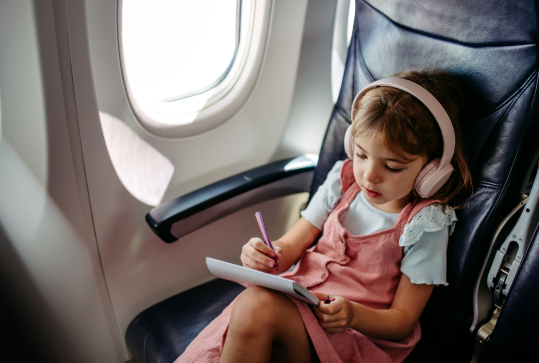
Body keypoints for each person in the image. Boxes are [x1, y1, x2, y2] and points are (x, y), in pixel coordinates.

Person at [176, 70, 473, 363]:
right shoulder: (341, 182)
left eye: (392, 167)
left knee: (254, 307)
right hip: (296, 308)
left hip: (351, 334)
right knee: (250, 310)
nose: (369, 176)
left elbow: (403, 321)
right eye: (361, 154)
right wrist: (267, 255)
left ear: (430, 171)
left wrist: (354, 315)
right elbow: (291, 245)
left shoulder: (426, 223)